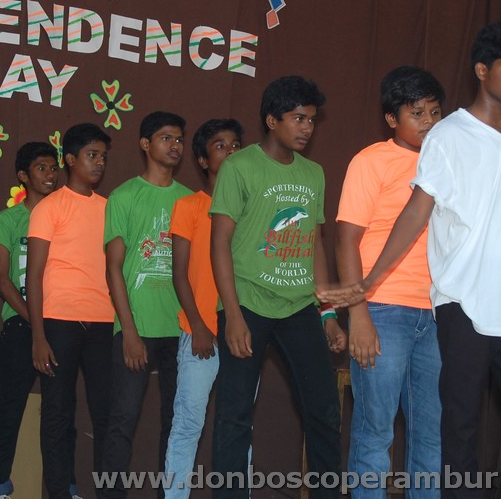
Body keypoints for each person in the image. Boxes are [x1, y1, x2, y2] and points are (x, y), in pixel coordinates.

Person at [319, 21, 501, 499]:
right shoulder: (434, 141)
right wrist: (365, 292)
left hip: (494, 310)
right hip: (436, 306)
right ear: (482, 70)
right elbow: (407, 215)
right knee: (421, 427)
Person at [210, 75, 346, 499]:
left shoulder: (313, 173)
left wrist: (327, 312)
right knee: (234, 415)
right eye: (298, 118)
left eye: (312, 120)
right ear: (272, 120)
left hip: (299, 306)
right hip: (248, 302)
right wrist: (232, 315)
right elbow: (219, 244)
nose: (307, 128)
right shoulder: (239, 166)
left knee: (324, 410)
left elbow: (316, 243)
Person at [335, 66, 444, 499]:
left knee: (431, 434)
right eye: (417, 113)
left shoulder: (447, 161)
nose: (429, 122)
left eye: (435, 111)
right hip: (383, 310)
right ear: (391, 118)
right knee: (375, 431)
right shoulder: (371, 160)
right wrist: (358, 314)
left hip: (438, 312)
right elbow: (345, 240)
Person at [101, 111, 192, 499]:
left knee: (176, 424)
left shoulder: (189, 200)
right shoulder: (123, 196)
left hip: (181, 331)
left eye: (179, 139)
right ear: (145, 144)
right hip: (136, 328)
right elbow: (113, 268)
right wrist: (129, 332)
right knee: (122, 420)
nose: (175, 146)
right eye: (166, 138)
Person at [26, 123, 115, 499]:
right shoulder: (49, 207)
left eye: (103, 157)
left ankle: (108, 493)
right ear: (71, 159)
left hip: (104, 325)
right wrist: (38, 337)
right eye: (92, 155)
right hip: (59, 324)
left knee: (108, 416)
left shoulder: (110, 208)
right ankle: (60, 492)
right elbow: (33, 276)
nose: (99, 163)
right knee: (58, 415)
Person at [163, 118, 243, 499]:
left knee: (238, 425)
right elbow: (179, 274)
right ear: (202, 159)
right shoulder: (189, 206)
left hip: (241, 333)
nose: (230, 152)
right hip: (201, 333)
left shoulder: (249, 208)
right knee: (187, 424)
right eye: (220, 146)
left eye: (236, 145)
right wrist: (197, 325)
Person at [0, 142, 60, 499]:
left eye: (54, 167)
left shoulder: (64, 216)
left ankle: (64, 487)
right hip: (21, 324)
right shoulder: (7, 220)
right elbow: (2, 280)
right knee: (9, 407)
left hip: (60, 324)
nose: (50, 174)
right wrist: (35, 321)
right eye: (42, 168)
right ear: (23, 176)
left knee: (60, 411)